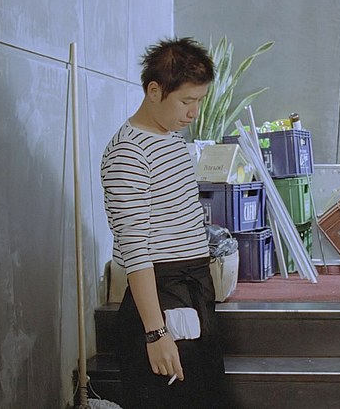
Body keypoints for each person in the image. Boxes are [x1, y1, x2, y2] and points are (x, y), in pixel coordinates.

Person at [101, 37, 230, 408]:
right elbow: (136, 252)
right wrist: (155, 334)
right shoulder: (129, 152)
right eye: (186, 101)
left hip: (192, 288)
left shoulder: (171, 139)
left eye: (199, 101)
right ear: (154, 91)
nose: (193, 112)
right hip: (160, 292)